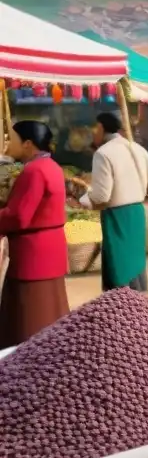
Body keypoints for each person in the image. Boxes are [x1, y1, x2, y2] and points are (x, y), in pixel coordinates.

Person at [0, 121, 69, 348]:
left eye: (13, 138)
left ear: (28, 144)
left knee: (31, 314)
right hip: (50, 249)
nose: (9, 143)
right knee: (51, 307)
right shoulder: (52, 166)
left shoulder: (34, 171)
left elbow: (18, 216)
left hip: (33, 254)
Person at [80, 112, 148, 291]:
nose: (92, 133)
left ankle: (123, 311)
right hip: (137, 214)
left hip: (117, 217)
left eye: (94, 128)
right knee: (136, 263)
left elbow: (101, 196)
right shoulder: (139, 150)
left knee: (119, 266)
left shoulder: (103, 153)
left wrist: (83, 199)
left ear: (101, 127)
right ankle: (142, 305)